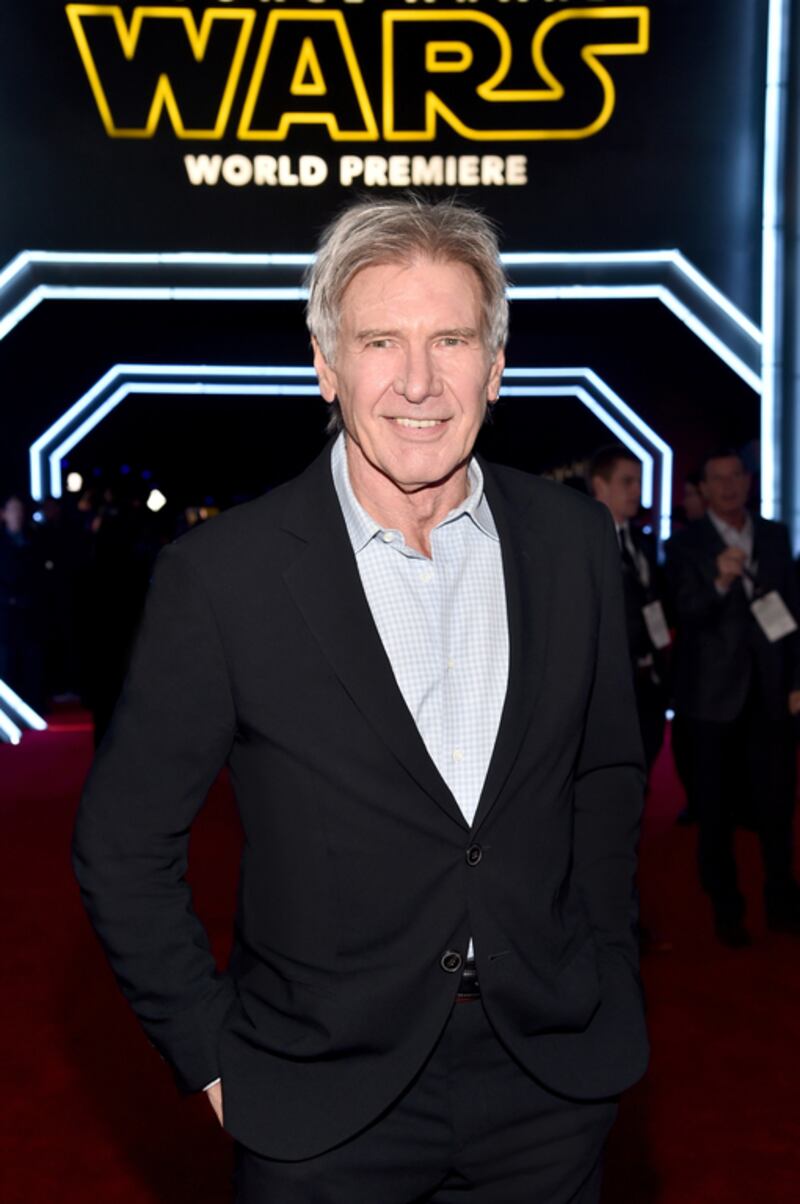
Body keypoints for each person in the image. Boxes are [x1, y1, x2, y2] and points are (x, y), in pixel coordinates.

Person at [73, 198, 648, 1203]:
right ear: (325, 365)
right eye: (380, 340)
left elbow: (601, 774)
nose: (418, 381)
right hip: (318, 1104)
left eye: (450, 339)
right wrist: (212, 1060)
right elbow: (122, 845)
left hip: (547, 1086)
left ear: (496, 363)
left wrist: (602, 973)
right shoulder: (226, 575)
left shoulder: (570, 543)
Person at [666, 449, 800, 947]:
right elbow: (685, 613)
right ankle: (727, 909)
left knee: (778, 806)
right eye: (716, 478)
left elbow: (792, 612)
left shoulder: (775, 535)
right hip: (711, 699)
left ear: (748, 481)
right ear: (703, 488)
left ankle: (783, 900)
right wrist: (720, 580)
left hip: (770, 696)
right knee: (715, 813)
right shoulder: (684, 545)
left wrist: (795, 680)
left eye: (735, 476)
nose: (728, 486)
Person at [588, 445, 670, 777]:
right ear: (600, 485)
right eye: (628, 482)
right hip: (606, 681)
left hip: (649, 677)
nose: (637, 491)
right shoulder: (583, 539)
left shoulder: (643, 541)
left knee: (645, 763)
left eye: (638, 482)